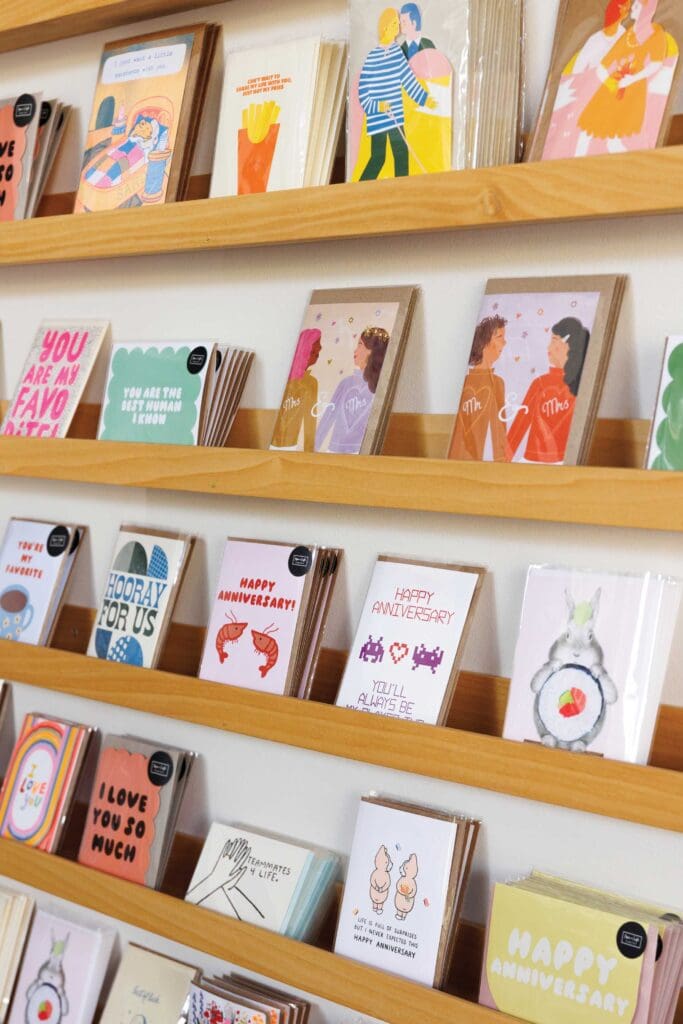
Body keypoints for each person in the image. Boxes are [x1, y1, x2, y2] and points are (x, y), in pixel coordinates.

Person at [576, 0, 678, 153]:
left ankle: (617, 151)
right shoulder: (627, 34)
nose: (631, 9)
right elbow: (606, 62)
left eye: (636, 6)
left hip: (633, 86)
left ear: (646, 10)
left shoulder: (656, 33)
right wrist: (609, 81)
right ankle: (579, 153)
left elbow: (656, 64)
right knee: (589, 127)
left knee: (617, 132)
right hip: (615, 82)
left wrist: (632, 79)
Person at [543, 0, 631, 159]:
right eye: (624, 7)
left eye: (628, 8)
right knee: (585, 133)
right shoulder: (595, 40)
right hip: (591, 91)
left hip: (613, 91)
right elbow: (578, 70)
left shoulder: (623, 34)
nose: (627, 11)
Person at [358, 7, 436, 180]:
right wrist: (378, 106)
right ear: (385, 28)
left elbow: (408, 80)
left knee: (401, 155)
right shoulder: (372, 57)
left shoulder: (397, 53)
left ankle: (403, 191)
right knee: (378, 158)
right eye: (394, 23)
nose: (398, 27)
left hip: (395, 117)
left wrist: (425, 99)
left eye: (398, 23)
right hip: (378, 119)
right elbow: (363, 93)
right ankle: (358, 190)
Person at [505, 317, 590, 464]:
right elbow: (520, 425)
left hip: (563, 464)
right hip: (534, 462)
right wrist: (500, 462)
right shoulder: (540, 383)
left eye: (554, 340)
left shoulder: (581, 386)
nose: (548, 348)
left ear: (568, 345)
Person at [315, 326, 390, 453]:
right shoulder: (346, 383)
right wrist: (312, 450)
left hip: (360, 453)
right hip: (334, 451)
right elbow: (328, 416)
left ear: (370, 350)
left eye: (360, 344)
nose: (355, 350)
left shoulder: (381, 388)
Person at [448, 315, 508, 462]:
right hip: (454, 460)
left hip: (479, 464)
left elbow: (499, 429)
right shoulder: (463, 383)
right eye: (499, 337)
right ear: (484, 343)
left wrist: (502, 460)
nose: (504, 342)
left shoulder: (497, 383)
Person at [270, 328, 321, 451]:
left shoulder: (311, 383)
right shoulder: (282, 378)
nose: (320, 347)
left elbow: (310, 421)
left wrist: (309, 453)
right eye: (317, 344)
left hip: (291, 447)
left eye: (319, 344)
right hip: (270, 445)